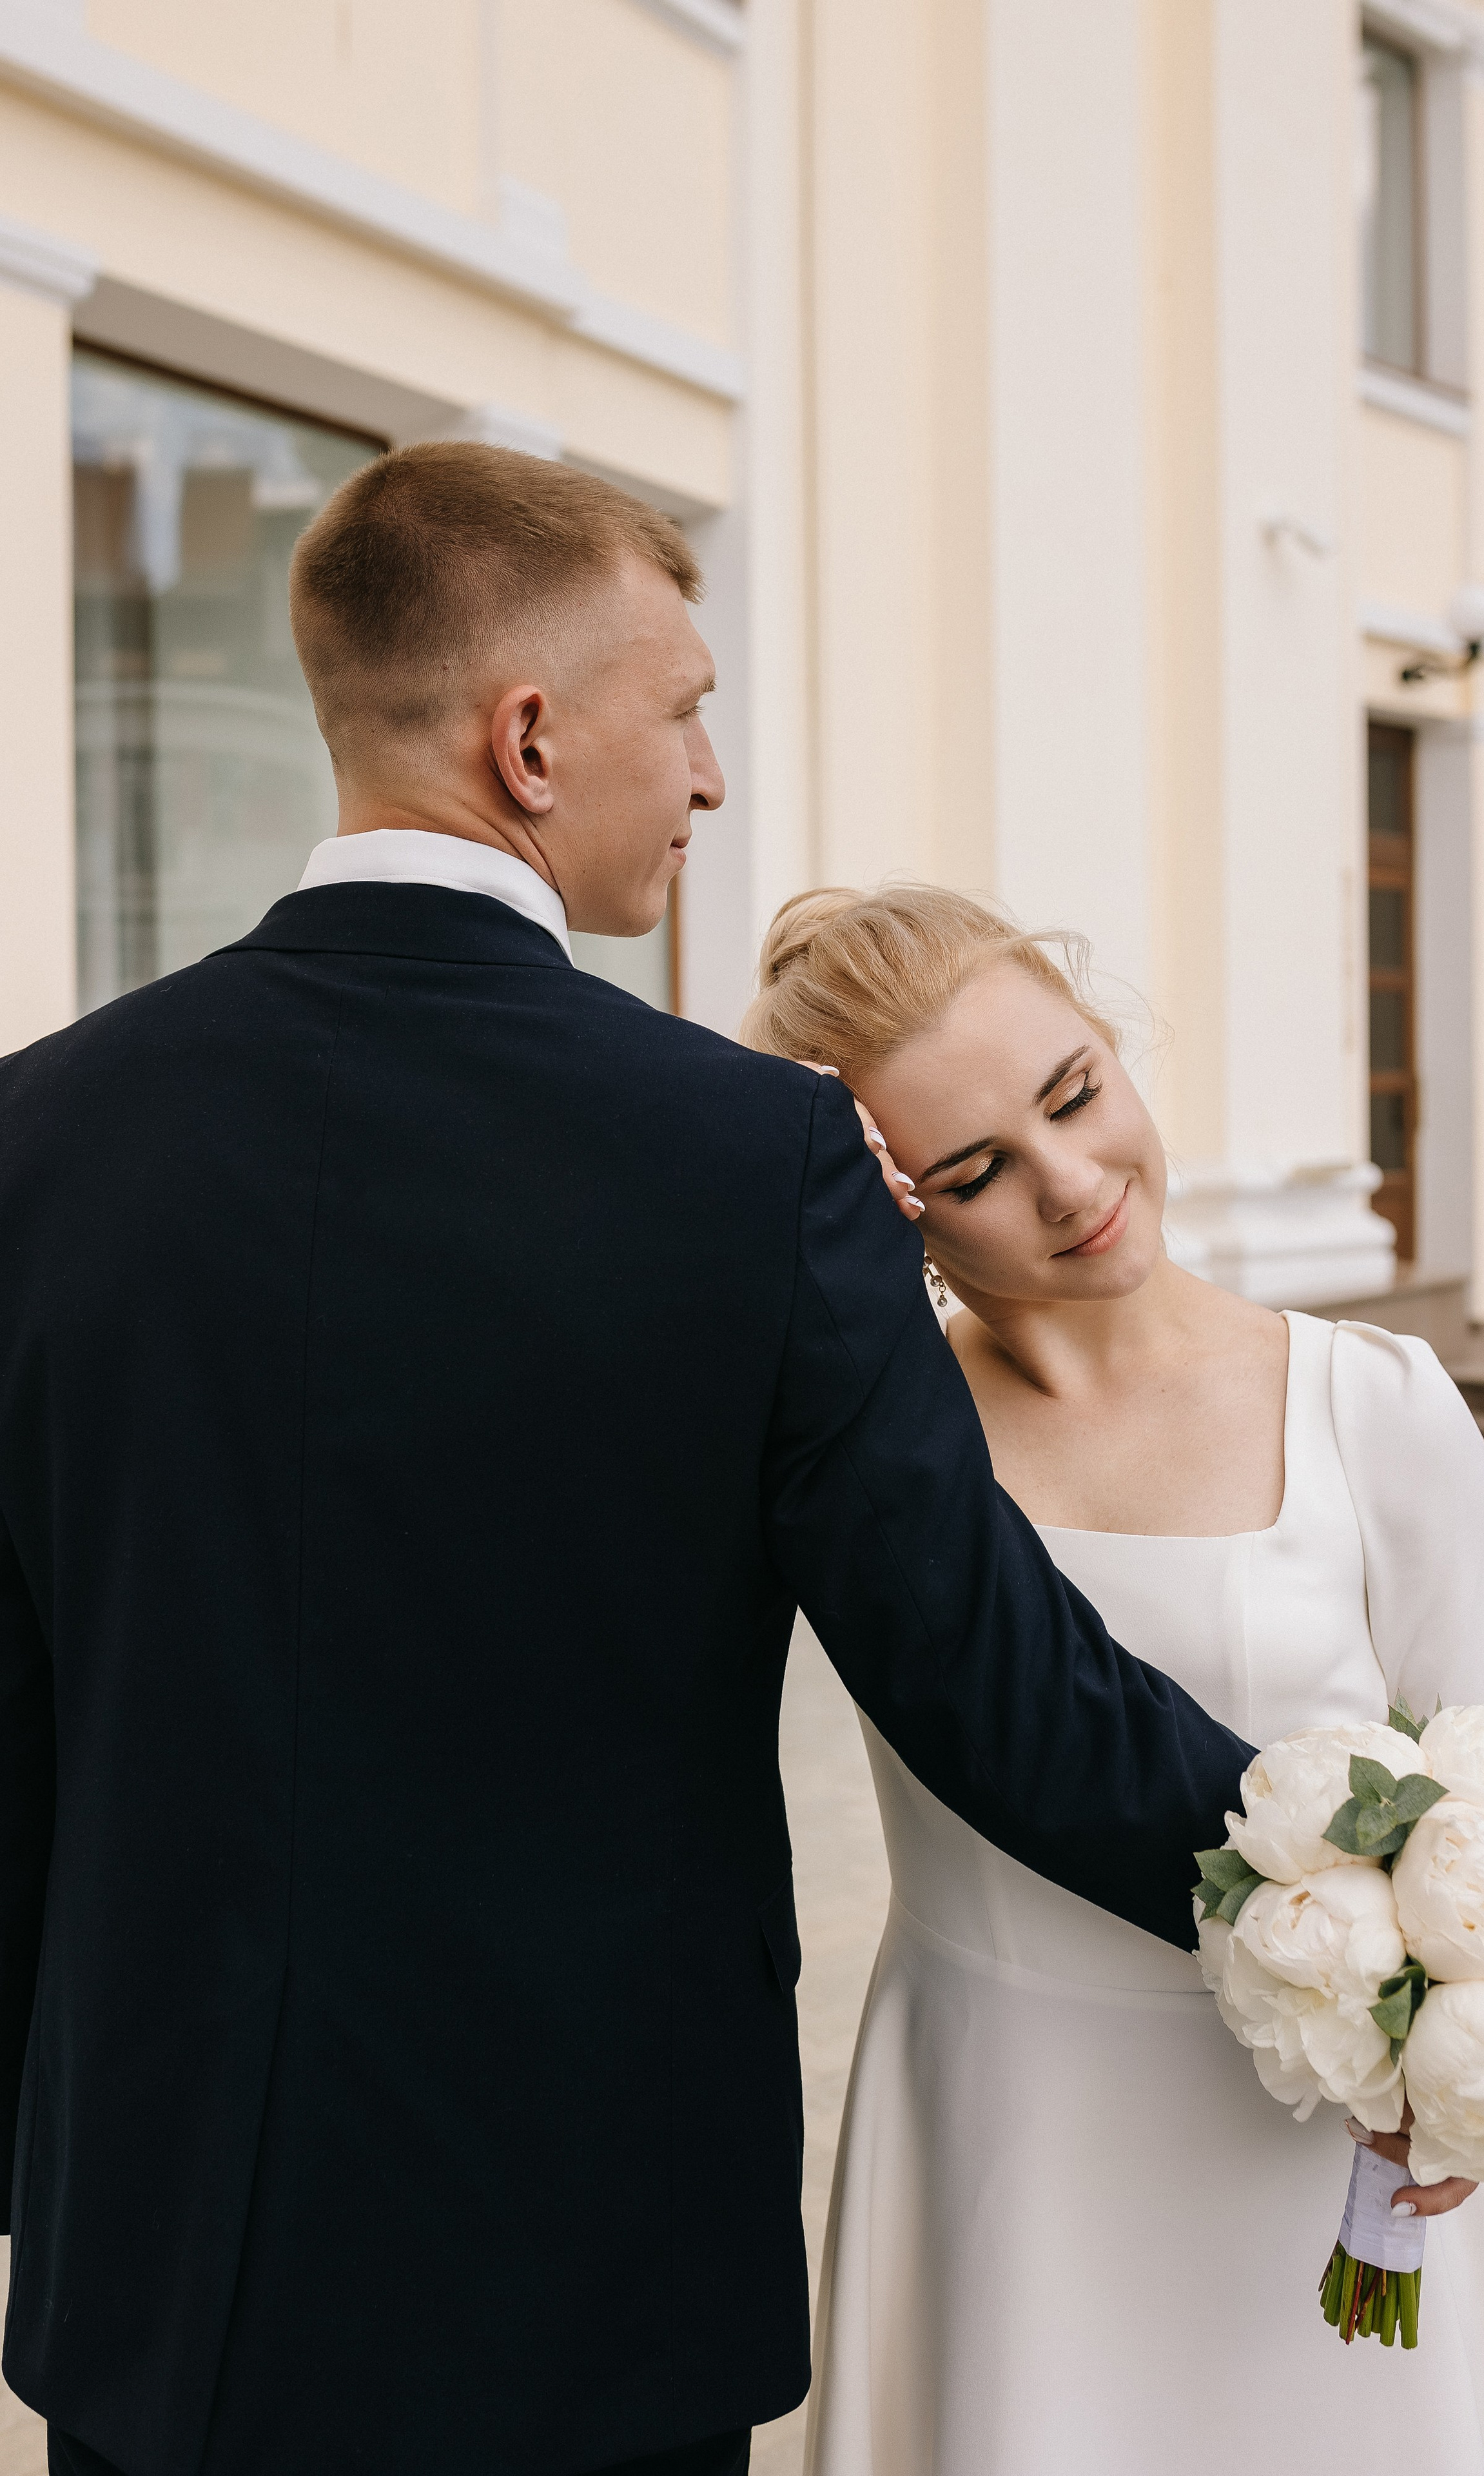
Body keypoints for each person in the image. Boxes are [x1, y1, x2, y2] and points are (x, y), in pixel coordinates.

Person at [0, 447, 1251, 2476]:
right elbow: (990, 1681)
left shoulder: (34, 1140)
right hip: (589, 2259)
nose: (709, 778)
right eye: (684, 710)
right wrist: (1380, 1895)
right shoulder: (760, 1164)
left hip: (163, 2255)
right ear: (528, 740)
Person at [743, 884, 1484, 2476]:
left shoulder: (1374, 1407)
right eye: (972, 1172)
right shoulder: (870, 1459)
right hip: (1007, 2155)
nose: (1069, 1185)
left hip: (1320, 2164)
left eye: (1072, 1094)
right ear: (895, 1202)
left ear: (1110, 1046)